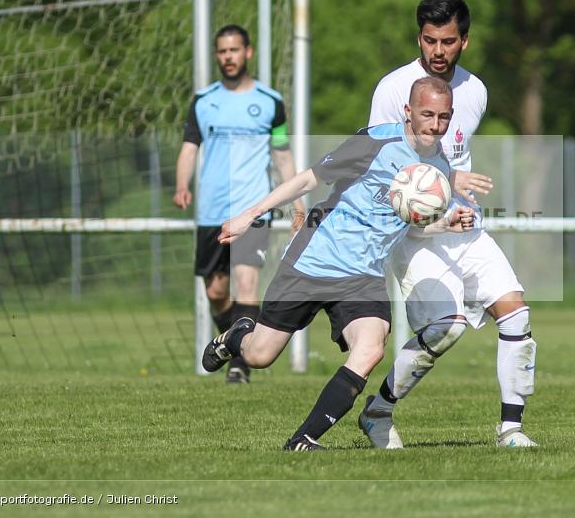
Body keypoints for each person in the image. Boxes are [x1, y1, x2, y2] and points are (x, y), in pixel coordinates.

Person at [201, 77, 475, 451]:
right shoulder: (375, 141)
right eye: (427, 114)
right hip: (314, 259)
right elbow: (309, 178)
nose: (435, 125)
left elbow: (411, 224)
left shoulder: (438, 166)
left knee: (371, 346)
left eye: (444, 117)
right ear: (408, 112)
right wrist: (250, 214)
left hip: (362, 277)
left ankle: (303, 439)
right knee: (259, 355)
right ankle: (236, 336)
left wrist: (444, 223)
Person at [357, 0, 538, 448]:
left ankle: (511, 430)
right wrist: (445, 178)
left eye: (448, 41)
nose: (438, 51)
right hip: (414, 231)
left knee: (515, 311)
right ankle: (378, 412)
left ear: (465, 42)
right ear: (419, 37)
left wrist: (455, 187)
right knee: (447, 327)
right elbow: (379, 163)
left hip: (465, 225)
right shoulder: (393, 89)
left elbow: (452, 149)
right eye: (430, 40)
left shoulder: (475, 91)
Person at [173, 24, 305, 384]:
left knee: (246, 286)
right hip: (211, 211)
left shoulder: (269, 101)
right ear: (217, 56)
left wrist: (296, 201)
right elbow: (189, 147)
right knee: (216, 292)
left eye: (234, 50)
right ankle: (232, 340)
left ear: (247, 53)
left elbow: (281, 153)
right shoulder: (204, 101)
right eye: (222, 51)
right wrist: (181, 184)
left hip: (252, 210)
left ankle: (239, 366)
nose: (228, 57)